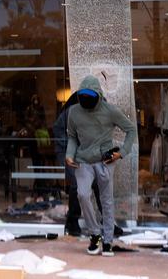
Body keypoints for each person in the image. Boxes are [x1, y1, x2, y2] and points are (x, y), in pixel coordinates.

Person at [65, 75, 136, 257]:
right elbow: (72, 136)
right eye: (83, 95)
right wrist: (69, 154)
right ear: (79, 95)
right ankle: (95, 234)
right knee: (82, 194)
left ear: (98, 94)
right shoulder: (73, 112)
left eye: (90, 95)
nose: (86, 99)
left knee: (106, 200)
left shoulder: (110, 110)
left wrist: (122, 152)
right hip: (83, 160)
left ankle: (107, 240)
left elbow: (131, 129)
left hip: (105, 160)